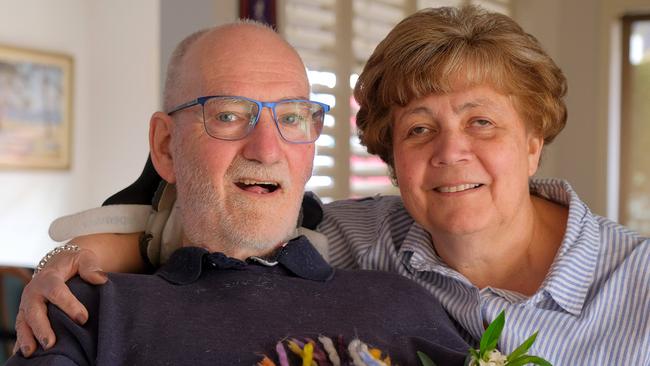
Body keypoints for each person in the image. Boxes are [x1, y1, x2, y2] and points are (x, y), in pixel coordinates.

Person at [16, 5, 650, 365]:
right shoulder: (355, 237)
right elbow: (212, 227)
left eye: (482, 122)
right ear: (391, 155)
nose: (452, 152)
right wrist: (64, 264)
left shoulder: (640, 286)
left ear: (534, 141)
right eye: (419, 129)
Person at [6, 21, 471, 365]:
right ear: (166, 147)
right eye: (228, 115)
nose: (266, 149)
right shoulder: (84, 313)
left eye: (291, 118)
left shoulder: (406, 304)